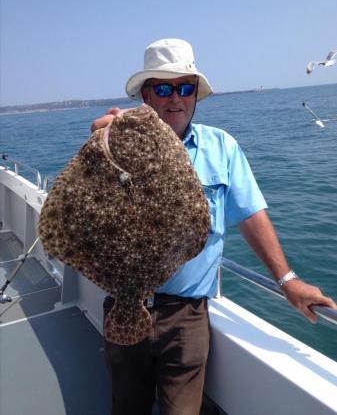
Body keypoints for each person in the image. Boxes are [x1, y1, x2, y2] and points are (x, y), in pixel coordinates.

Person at [91, 38, 337, 415]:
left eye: (185, 88)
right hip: (124, 303)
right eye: (163, 88)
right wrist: (98, 145)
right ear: (145, 96)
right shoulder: (113, 144)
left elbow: (251, 216)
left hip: (186, 316)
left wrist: (288, 281)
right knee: (126, 406)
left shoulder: (221, 147)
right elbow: (88, 211)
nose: (176, 98)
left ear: (195, 95)